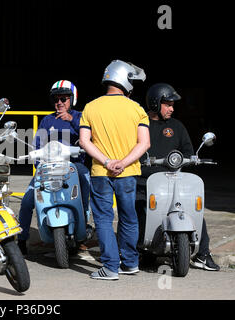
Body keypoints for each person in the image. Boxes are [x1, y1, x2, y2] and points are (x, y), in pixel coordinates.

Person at [136, 82, 220, 271]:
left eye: (173, 105)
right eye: (167, 104)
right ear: (155, 103)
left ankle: (202, 254)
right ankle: (145, 252)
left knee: (194, 212)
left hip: (173, 180)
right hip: (146, 182)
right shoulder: (141, 124)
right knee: (140, 210)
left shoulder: (177, 126)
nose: (171, 109)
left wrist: (192, 159)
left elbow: (189, 151)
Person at [79, 60, 150, 280]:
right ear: (124, 80)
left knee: (103, 219)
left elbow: (84, 141)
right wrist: (123, 162)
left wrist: (108, 161)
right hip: (128, 173)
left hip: (101, 172)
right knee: (129, 218)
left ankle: (110, 267)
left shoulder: (91, 107)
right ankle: (130, 263)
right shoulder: (136, 108)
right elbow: (144, 143)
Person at [17, 80, 91, 255]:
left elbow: (89, 138)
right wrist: (39, 164)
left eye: (64, 99)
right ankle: (21, 240)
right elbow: (37, 144)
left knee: (86, 185)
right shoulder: (47, 120)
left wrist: (72, 120)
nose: (59, 103)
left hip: (74, 165)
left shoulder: (81, 118)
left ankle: (82, 229)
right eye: (56, 99)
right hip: (48, 166)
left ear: (72, 99)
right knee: (27, 201)